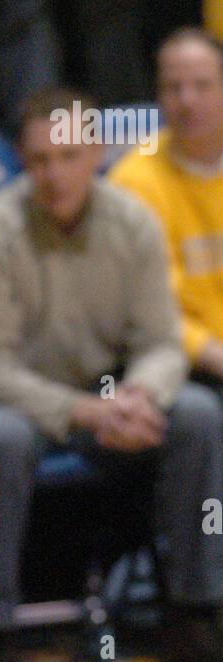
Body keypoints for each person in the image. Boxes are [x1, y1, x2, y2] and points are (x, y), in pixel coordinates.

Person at [0, 86, 223, 662]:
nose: (53, 173)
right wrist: (89, 412)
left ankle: (192, 613)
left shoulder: (134, 222)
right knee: (2, 438)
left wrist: (141, 396)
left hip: (103, 394)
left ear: (95, 152)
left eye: (67, 156)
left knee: (198, 415)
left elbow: (163, 341)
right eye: (39, 159)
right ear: (21, 160)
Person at [111, 28, 223, 392]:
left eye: (202, 85)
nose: (187, 100)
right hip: (182, 362)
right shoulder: (133, 180)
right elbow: (143, 304)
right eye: (173, 87)